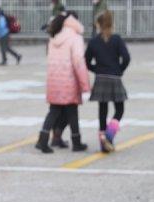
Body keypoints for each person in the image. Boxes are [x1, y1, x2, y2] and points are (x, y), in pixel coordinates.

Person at [36, 14, 90, 153]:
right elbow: (78, 62)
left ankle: (42, 140)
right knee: (72, 112)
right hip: (69, 80)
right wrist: (85, 84)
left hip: (54, 80)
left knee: (53, 111)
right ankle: (76, 142)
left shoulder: (54, 37)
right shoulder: (75, 38)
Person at [85, 10, 130, 153]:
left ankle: (102, 139)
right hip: (115, 77)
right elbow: (126, 58)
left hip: (100, 78)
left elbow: (86, 61)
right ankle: (109, 136)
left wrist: (95, 69)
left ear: (98, 24)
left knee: (102, 110)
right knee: (120, 109)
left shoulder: (93, 41)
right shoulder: (117, 39)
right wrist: (119, 70)